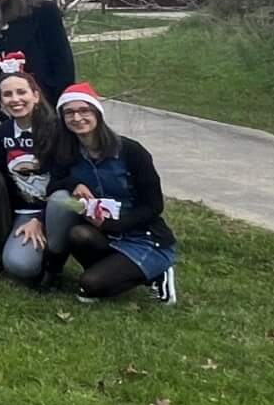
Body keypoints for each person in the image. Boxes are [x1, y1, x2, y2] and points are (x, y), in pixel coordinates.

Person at [41, 83, 178, 303]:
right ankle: (108, 269)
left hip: (142, 236)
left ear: (97, 113)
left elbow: (153, 206)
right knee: (77, 233)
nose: (77, 118)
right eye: (69, 113)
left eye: (84, 110)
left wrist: (116, 224)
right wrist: (73, 183)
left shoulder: (131, 152)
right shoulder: (68, 151)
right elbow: (53, 186)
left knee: (90, 286)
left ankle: (158, 273)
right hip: (103, 235)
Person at [0, 70, 59, 282]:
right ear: (0, 101)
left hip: (56, 209)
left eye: (21, 92)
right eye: (7, 94)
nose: (15, 99)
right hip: (23, 209)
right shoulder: (4, 131)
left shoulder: (56, 129)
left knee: (62, 202)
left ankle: (55, 263)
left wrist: (41, 219)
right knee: (19, 266)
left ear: (35, 95)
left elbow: (66, 178)